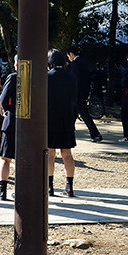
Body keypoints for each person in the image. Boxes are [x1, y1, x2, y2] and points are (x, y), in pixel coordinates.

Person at [47, 49, 78, 197]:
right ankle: (69, 186)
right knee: (67, 154)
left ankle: (49, 186)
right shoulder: (71, 77)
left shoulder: (46, 77)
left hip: (50, 119)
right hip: (67, 118)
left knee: (50, 154)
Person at [66, 45, 102, 142]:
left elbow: (75, 80)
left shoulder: (74, 64)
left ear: (71, 54)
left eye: (68, 56)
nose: (69, 59)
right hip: (83, 92)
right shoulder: (84, 62)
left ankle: (96, 134)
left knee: (84, 115)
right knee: (72, 115)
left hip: (77, 94)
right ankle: (67, 133)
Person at [0, 56, 17, 201]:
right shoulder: (38, 77)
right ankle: (21, 189)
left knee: (5, 158)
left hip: (11, 121)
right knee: (24, 159)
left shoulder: (13, 77)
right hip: (31, 123)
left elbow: (3, 100)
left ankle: (2, 191)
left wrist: (8, 109)